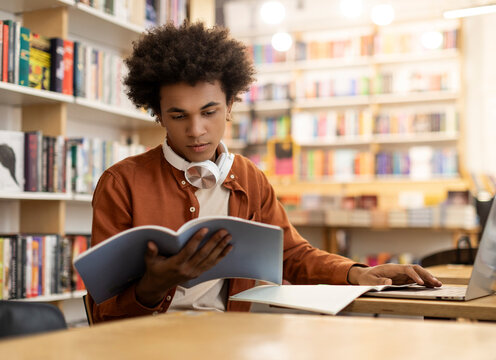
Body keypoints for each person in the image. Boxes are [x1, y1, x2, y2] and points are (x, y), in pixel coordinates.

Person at [89, 21, 441, 323]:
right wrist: (155, 284)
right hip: (144, 346)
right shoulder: (122, 182)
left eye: (209, 112)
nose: (196, 129)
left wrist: (358, 273)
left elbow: (290, 255)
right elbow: (103, 308)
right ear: (158, 114)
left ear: (230, 106)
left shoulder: (248, 177)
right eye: (179, 115)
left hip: (230, 341)